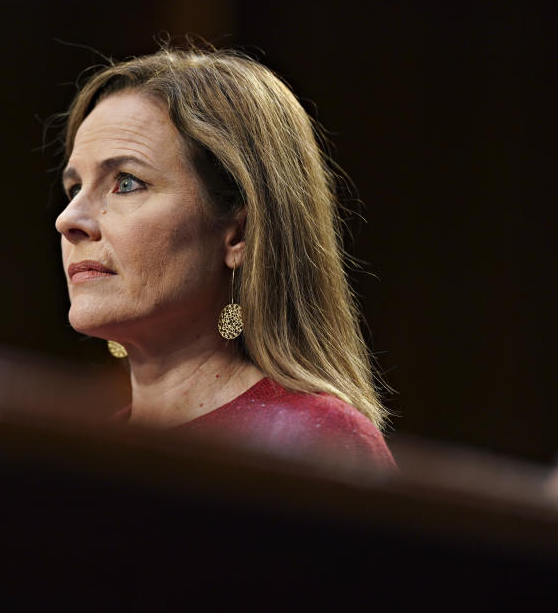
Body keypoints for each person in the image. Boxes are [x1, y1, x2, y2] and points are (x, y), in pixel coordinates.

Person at [54, 46, 395, 471]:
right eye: (74, 189)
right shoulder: (85, 455)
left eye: (126, 182)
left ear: (238, 234)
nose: (68, 220)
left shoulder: (315, 442)